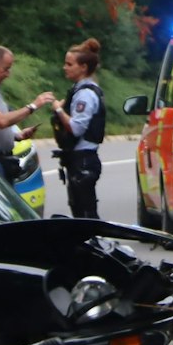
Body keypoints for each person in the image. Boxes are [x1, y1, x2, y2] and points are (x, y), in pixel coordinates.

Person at [0, 46, 54, 184]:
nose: (8, 74)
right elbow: (1, 121)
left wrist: (17, 136)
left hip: (4, 159)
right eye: (5, 69)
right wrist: (33, 106)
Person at [50, 38, 107, 218]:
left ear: (83, 67)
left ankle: (93, 242)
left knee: (85, 213)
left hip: (84, 160)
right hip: (78, 159)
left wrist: (58, 109)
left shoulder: (85, 94)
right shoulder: (78, 90)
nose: (64, 67)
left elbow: (76, 128)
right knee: (79, 209)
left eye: (69, 64)